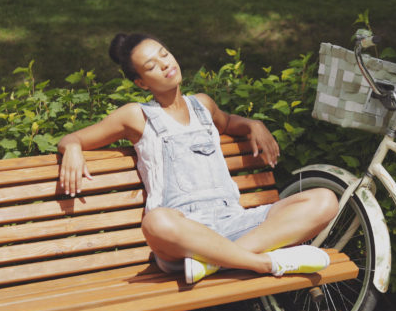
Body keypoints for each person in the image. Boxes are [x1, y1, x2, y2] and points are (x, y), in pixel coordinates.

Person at [58, 33, 339, 284]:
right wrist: (71, 148)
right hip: (184, 236)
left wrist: (253, 124)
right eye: (151, 66)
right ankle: (263, 262)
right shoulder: (137, 115)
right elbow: (73, 138)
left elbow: (228, 123)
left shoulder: (203, 105)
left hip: (235, 222)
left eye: (164, 54)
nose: (165, 64)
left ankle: (213, 263)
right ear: (141, 83)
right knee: (155, 222)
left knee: (324, 200)